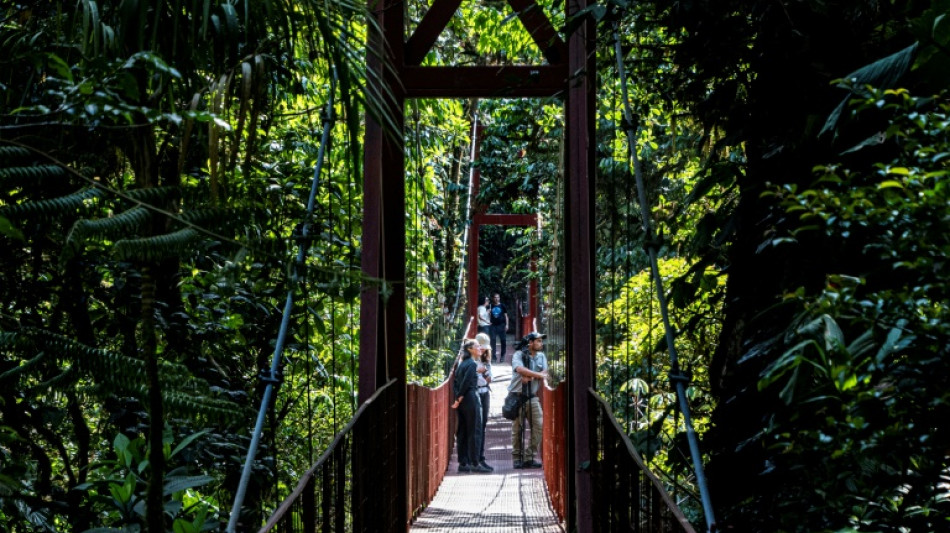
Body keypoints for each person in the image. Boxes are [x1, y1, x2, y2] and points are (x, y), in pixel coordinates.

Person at [509, 332, 548, 469]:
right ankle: (517, 458)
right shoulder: (518, 355)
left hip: (532, 396)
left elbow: (545, 373)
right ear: (530, 343)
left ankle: (529, 457)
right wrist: (536, 375)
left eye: (540, 341)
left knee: (539, 425)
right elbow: (519, 369)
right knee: (517, 429)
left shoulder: (541, 356)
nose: (541, 344)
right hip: (517, 395)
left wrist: (529, 376)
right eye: (538, 341)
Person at [452, 339, 491, 473]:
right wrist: (460, 397)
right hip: (471, 398)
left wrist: (458, 397)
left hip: (463, 401)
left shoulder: (462, 364)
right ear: (470, 349)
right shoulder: (472, 364)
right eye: (477, 346)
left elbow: (457, 382)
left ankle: (463, 463)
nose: (480, 348)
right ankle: (475, 463)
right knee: (475, 430)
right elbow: (467, 381)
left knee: (462, 430)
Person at [474, 332, 494, 471]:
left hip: (485, 392)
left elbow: (489, 378)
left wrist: (484, 376)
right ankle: (475, 460)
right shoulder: (470, 360)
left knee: (483, 425)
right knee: (476, 426)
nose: (484, 350)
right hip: (475, 393)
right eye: (481, 347)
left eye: (485, 348)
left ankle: (480, 457)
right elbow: (476, 379)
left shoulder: (486, 360)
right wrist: (483, 376)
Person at [488, 293, 509, 362]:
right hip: (493, 325)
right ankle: (493, 357)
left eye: (498, 297)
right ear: (493, 298)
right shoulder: (490, 305)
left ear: (499, 298)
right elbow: (487, 315)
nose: (496, 299)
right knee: (492, 340)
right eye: (495, 297)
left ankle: (502, 356)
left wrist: (507, 325)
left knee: (503, 340)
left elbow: (506, 316)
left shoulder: (502, 306)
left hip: (501, 325)